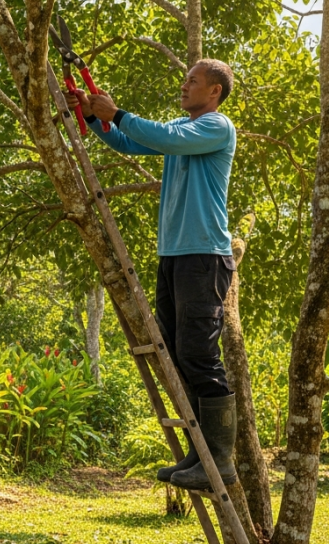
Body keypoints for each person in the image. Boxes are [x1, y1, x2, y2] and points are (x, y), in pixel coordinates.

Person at [65, 60, 238, 491]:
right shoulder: (183, 127)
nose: (184, 85)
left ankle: (222, 459)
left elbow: (161, 136)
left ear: (214, 91)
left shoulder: (216, 127)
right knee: (179, 357)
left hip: (204, 256)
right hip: (176, 256)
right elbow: (129, 142)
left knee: (199, 354)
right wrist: (94, 116)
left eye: (193, 81)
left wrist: (115, 112)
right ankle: (199, 454)